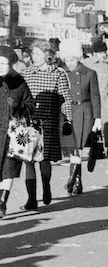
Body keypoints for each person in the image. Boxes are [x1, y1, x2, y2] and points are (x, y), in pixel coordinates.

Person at [21, 39, 71, 209]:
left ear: (47, 55)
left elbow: (65, 99)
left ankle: (46, 186)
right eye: (32, 53)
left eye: (37, 53)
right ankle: (31, 199)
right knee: (28, 160)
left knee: (45, 159)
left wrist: (68, 120)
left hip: (49, 122)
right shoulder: (26, 73)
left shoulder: (58, 74)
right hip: (28, 123)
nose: (33, 57)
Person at [59, 38, 102, 196]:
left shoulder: (90, 73)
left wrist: (98, 118)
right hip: (67, 113)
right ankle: (76, 181)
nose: (69, 63)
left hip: (85, 112)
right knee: (73, 148)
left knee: (78, 147)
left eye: (72, 59)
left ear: (78, 58)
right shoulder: (60, 73)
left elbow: (95, 97)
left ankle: (73, 180)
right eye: (67, 59)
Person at [0, 46, 33, 218]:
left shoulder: (19, 82)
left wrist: (18, 106)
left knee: (8, 169)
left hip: (12, 134)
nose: (0, 66)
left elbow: (30, 106)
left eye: (4, 63)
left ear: (11, 64)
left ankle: (2, 202)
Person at [83, 40, 108, 156]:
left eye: (104, 52)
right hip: (93, 98)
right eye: (99, 53)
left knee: (107, 122)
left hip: (107, 98)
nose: (102, 55)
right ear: (94, 54)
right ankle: (95, 147)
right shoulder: (87, 63)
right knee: (94, 122)